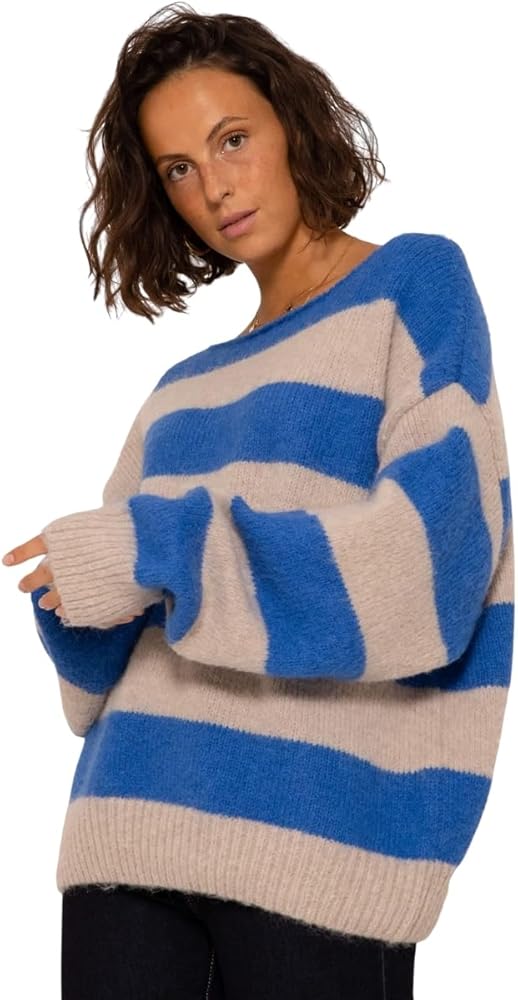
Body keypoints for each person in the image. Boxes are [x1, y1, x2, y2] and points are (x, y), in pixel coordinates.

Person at [2, 3, 514, 998]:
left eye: (231, 139)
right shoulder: (179, 390)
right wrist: (77, 598)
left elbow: (425, 570)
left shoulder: (413, 286)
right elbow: (92, 692)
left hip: (316, 842)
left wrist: (160, 548)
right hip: (125, 828)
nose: (215, 187)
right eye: (178, 169)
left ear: (292, 122)